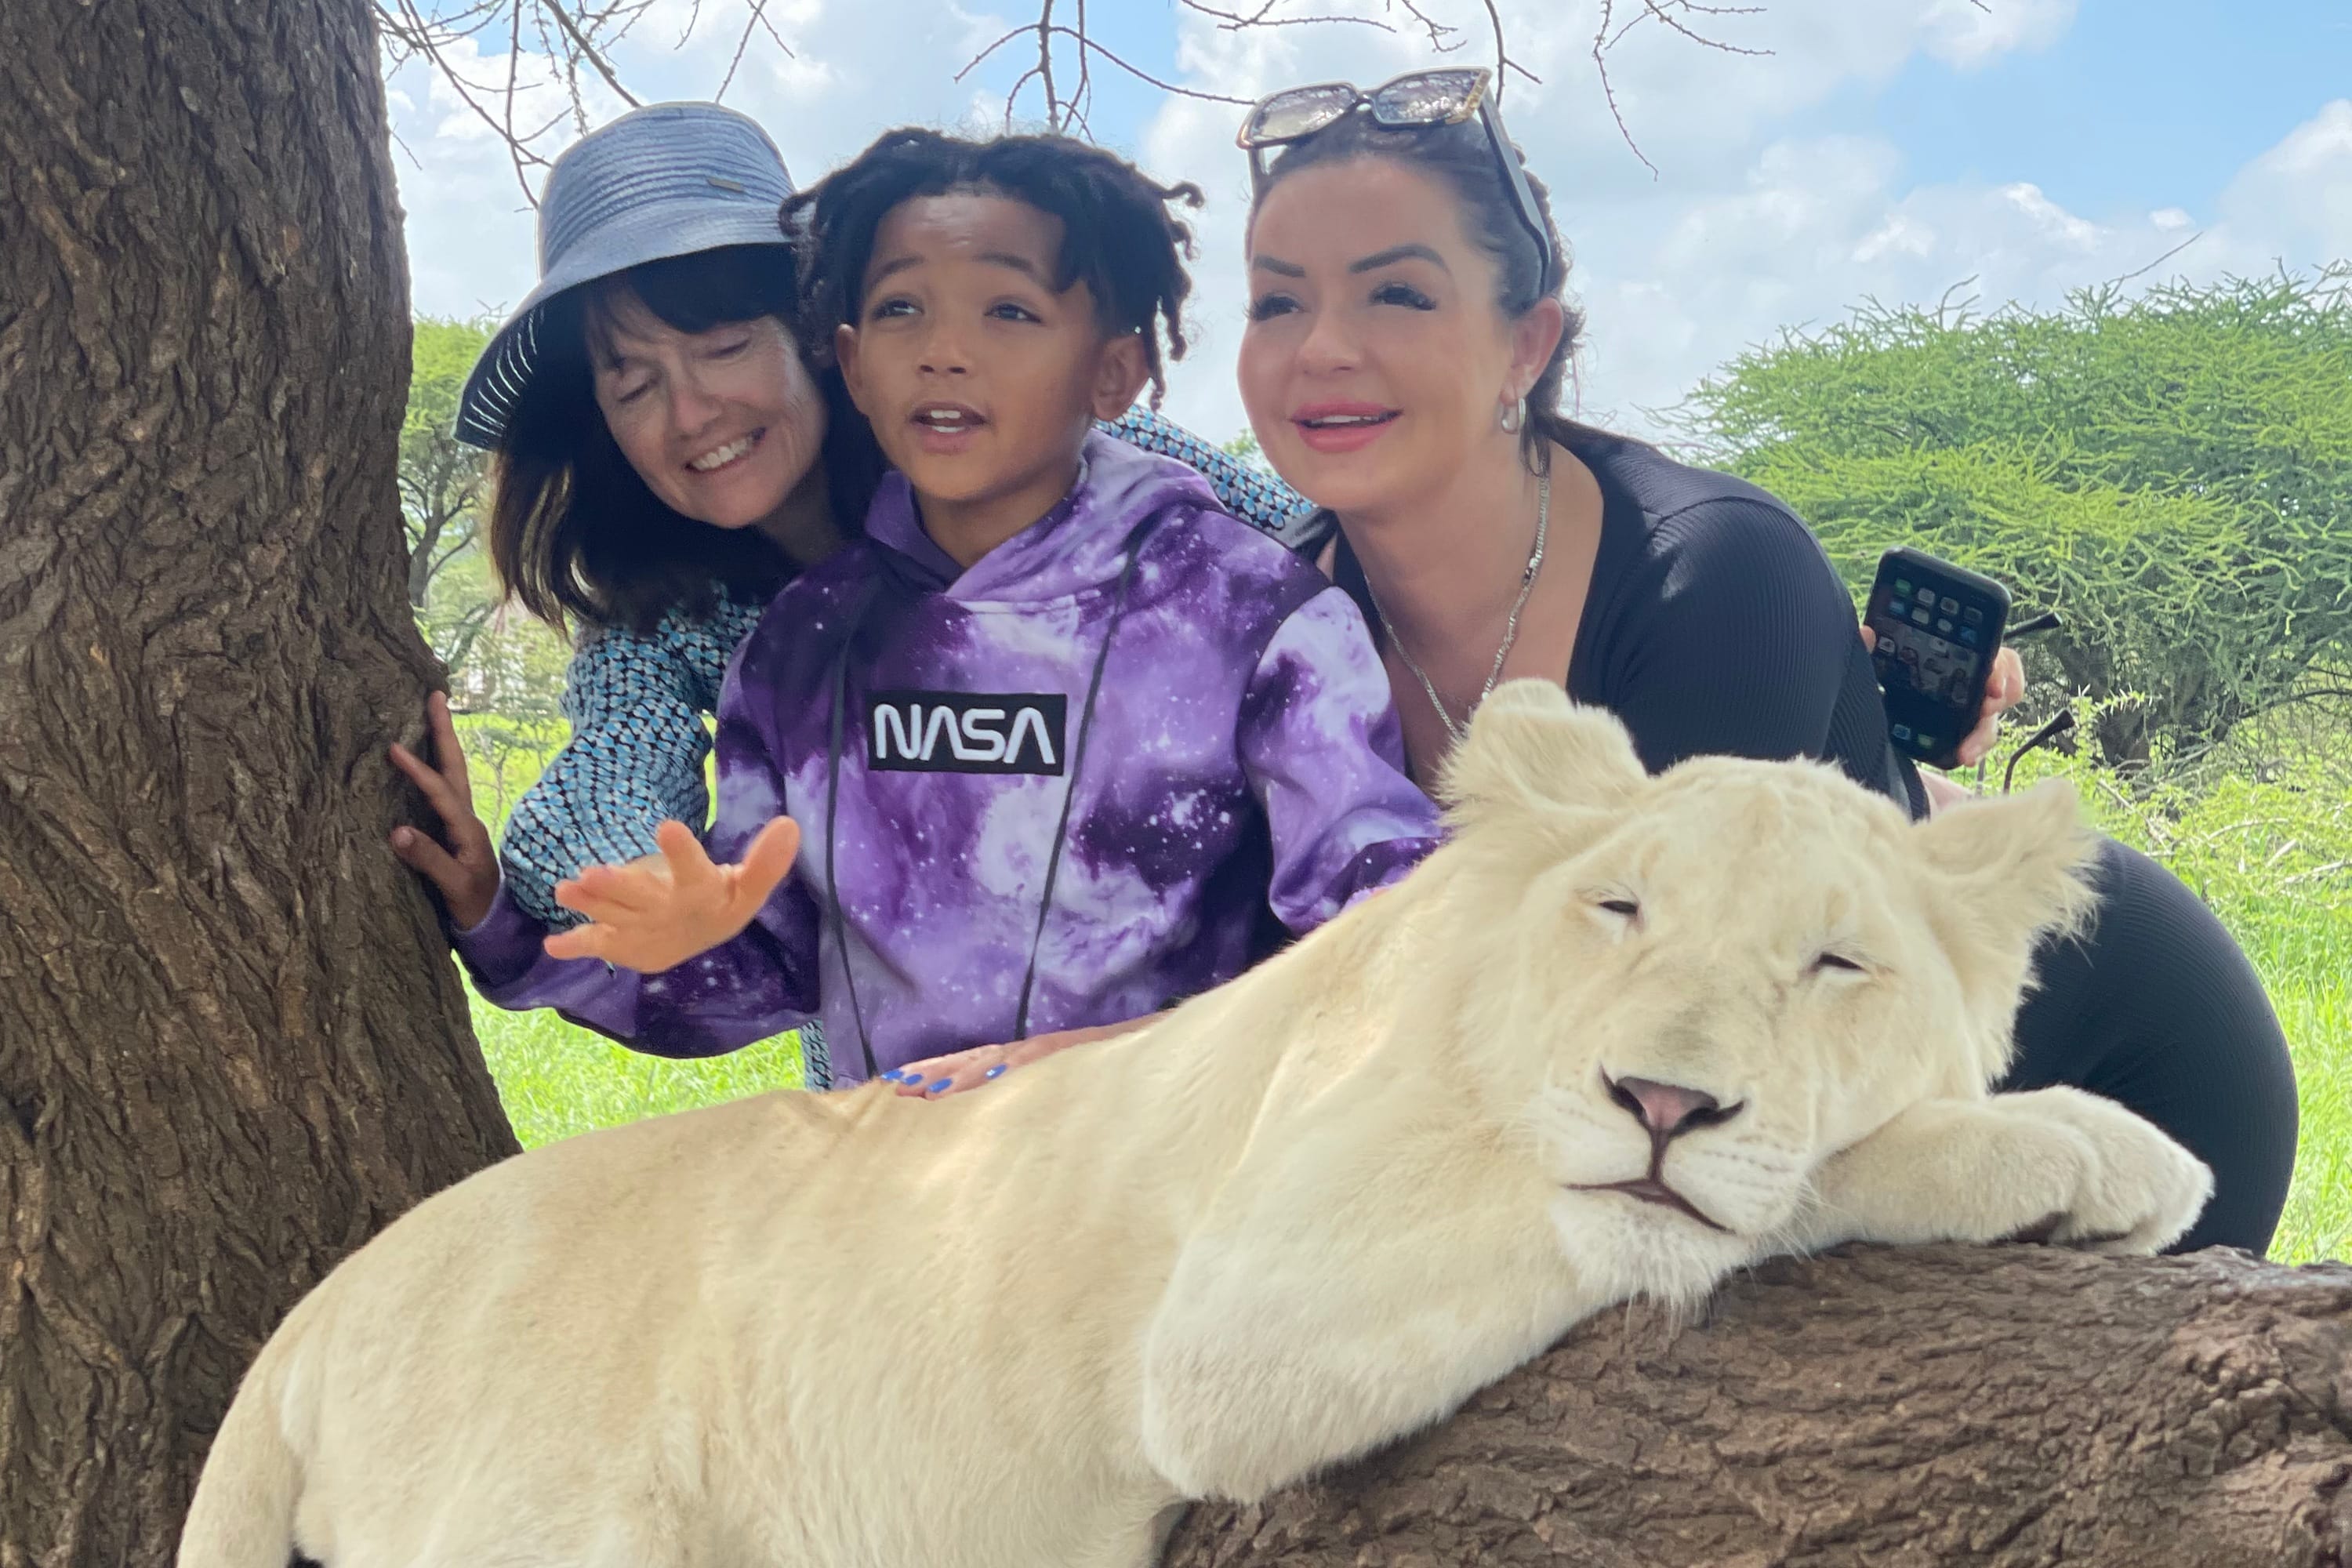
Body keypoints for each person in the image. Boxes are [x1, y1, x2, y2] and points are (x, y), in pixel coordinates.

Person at [1218, 65, 2297, 1256]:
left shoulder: (1718, 576)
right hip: (1700, 1128)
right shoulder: (1257, 617)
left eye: (1398, 297)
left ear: (1526, 343)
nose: (1322, 349)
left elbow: (1653, 1038)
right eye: (1278, 303)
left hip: (2095, 1072)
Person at [452, 125, 1443, 1085]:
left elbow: (1314, 552)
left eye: (722, 347)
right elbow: (608, 785)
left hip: (1182, 1096)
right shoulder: (701, 620)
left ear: (813, 338)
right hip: (910, 1134)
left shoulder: (1106, 494)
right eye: (631, 382)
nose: (689, 411)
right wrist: (648, 887)